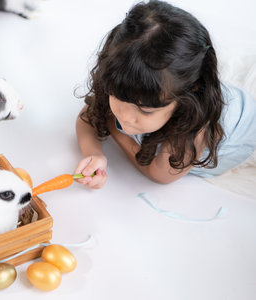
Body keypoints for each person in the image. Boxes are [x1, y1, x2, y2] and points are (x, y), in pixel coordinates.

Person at [74, 0, 256, 189]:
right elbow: (88, 115)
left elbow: (160, 174)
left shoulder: (193, 122)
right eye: (118, 96)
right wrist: (94, 154)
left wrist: (111, 127)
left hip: (240, 133)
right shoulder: (128, 80)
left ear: (185, 99)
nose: (125, 116)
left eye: (145, 111)